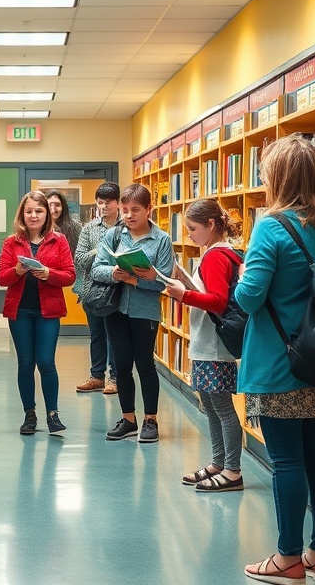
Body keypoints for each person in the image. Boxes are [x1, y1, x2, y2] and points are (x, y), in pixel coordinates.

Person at [235, 134, 315, 585]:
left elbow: (248, 299)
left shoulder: (271, 226)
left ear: (279, 178)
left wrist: (244, 274)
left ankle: (287, 558)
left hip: (278, 362)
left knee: (286, 462)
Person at [163, 198, 245, 493]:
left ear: (211, 225)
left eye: (193, 228)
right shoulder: (222, 254)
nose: (189, 236)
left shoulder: (215, 256)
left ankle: (232, 470)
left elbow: (217, 301)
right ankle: (219, 463)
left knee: (221, 408)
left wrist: (181, 294)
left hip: (213, 346)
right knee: (210, 407)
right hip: (208, 342)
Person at [91, 183, 173, 443]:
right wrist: (115, 273)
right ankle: (128, 419)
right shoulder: (114, 236)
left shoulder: (162, 240)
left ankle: (151, 420)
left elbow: (163, 282)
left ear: (149, 209)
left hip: (144, 312)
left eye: (135, 210)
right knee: (122, 365)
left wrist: (138, 281)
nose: (129, 215)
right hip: (115, 309)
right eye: (125, 210)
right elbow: (96, 269)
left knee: (145, 365)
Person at [0, 191, 76, 435]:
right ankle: (29, 415)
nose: (33, 215)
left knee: (46, 362)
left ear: (47, 214)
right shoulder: (12, 242)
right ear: (22, 213)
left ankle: (53, 414)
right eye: (29, 211)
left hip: (48, 311)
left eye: (39, 211)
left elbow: (69, 275)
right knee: (25, 363)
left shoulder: (59, 240)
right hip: (20, 311)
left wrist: (49, 274)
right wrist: (19, 270)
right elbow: (1, 277)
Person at [74, 182, 121, 395]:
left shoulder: (126, 227)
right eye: (100, 202)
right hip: (92, 292)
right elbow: (80, 259)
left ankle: (115, 378)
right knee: (96, 335)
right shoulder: (89, 228)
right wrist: (100, 250)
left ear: (118, 203)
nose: (104, 207)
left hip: (119, 290)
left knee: (115, 335)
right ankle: (97, 376)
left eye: (108, 203)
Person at [45, 188, 82, 255]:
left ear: (63, 207)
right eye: (49, 205)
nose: (53, 210)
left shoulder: (74, 226)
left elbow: (78, 254)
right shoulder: (39, 227)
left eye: (57, 205)